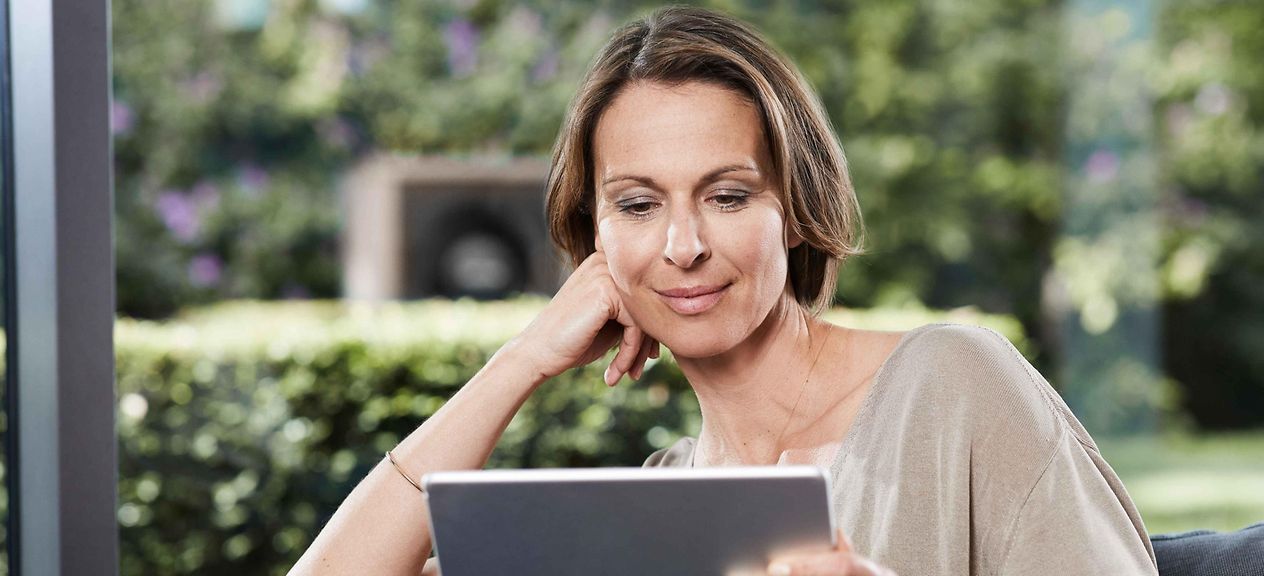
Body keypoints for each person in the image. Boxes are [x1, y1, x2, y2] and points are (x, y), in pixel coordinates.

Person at [291, 6, 1157, 575]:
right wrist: (518, 363)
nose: (683, 246)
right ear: (596, 234)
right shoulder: (652, 508)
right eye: (636, 205)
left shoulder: (952, 386)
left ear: (795, 210)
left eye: (727, 195)